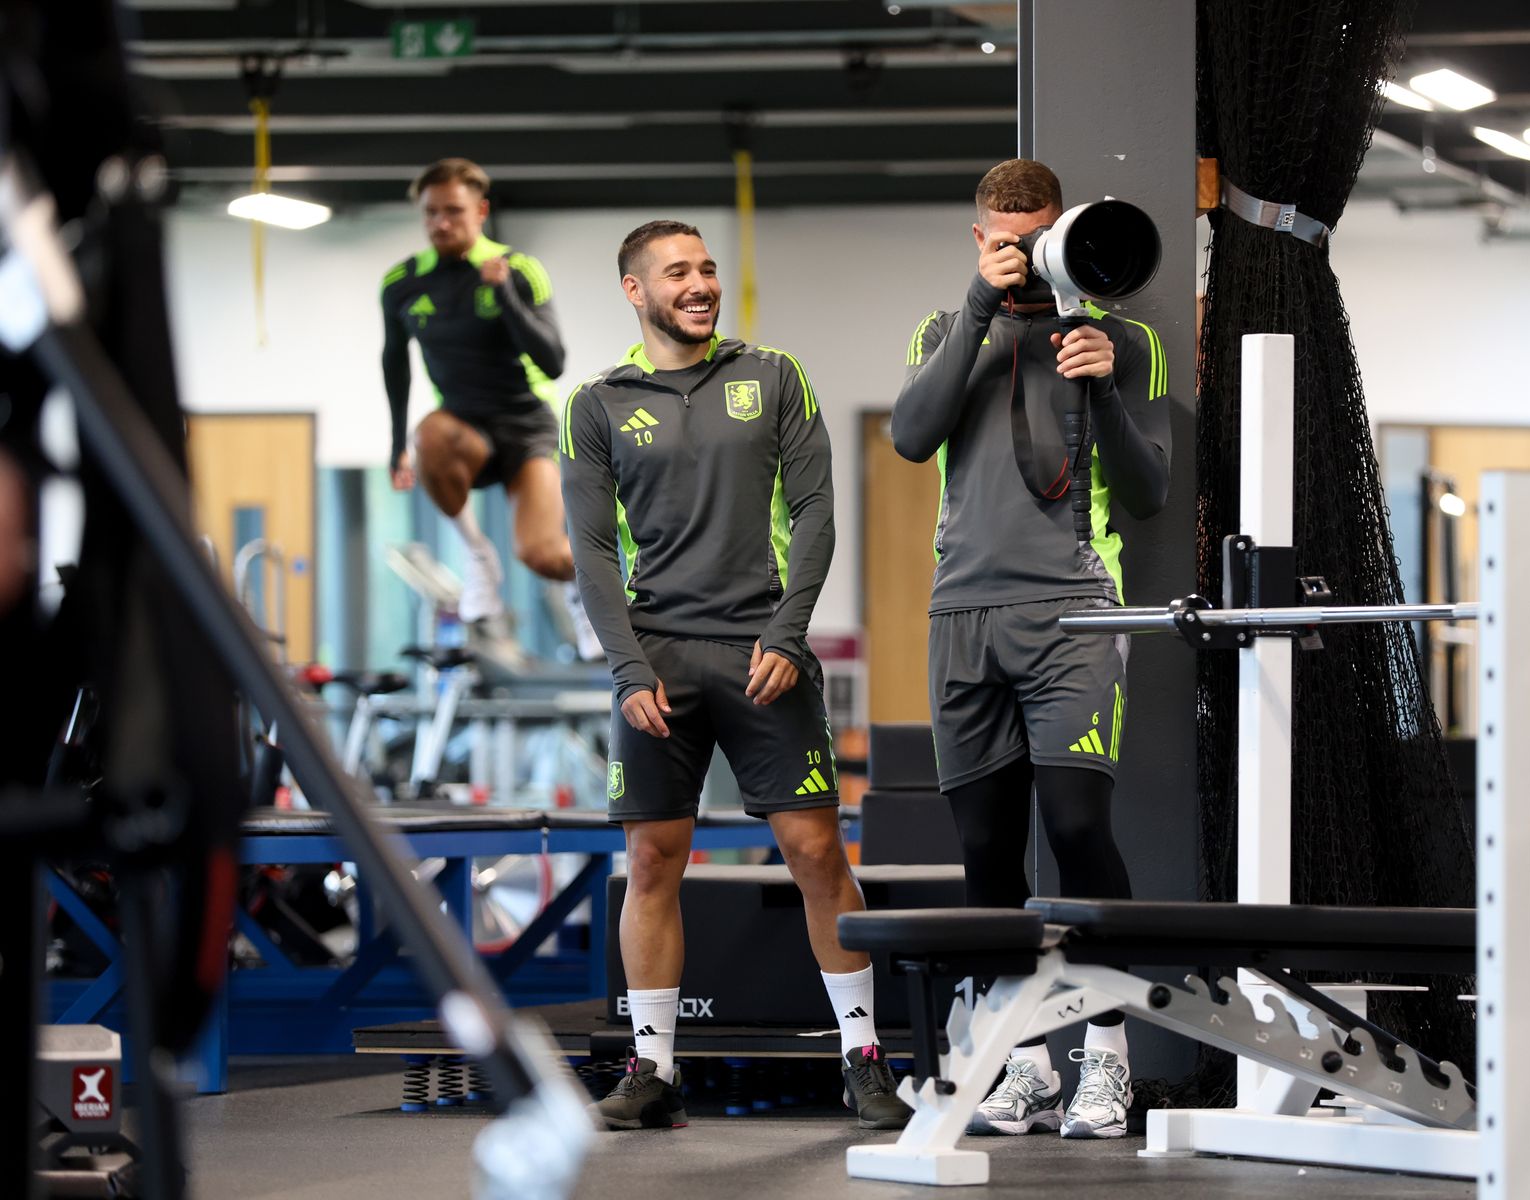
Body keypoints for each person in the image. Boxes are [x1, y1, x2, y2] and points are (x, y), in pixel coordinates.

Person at [562, 219, 909, 1132]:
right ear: (635, 290)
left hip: (763, 650)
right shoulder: (598, 403)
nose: (700, 283)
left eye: (707, 267)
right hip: (656, 658)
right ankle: (653, 1072)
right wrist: (626, 664)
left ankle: (864, 1060)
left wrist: (791, 635)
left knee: (817, 852)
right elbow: (593, 550)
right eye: (678, 272)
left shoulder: (775, 376)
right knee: (650, 862)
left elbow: (817, 510)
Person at [890, 159, 1171, 1139]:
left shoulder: (1123, 338)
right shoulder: (943, 330)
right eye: (1007, 240)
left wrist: (1099, 392)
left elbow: (1149, 491)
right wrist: (979, 305)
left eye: (1041, 236)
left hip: (1075, 613)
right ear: (981, 239)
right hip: (962, 613)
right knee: (982, 849)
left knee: (1079, 828)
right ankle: (1019, 1063)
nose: (1024, 255)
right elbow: (910, 438)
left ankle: (1105, 1058)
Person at [379, 157, 597, 656]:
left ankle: (581, 591)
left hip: (528, 428)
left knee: (542, 553)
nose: (440, 223)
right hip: (465, 428)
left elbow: (554, 359)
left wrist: (503, 295)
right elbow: (394, 362)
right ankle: (477, 554)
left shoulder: (519, 270)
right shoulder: (403, 283)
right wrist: (396, 449)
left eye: (453, 212)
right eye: (431, 213)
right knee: (427, 434)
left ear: (480, 211)